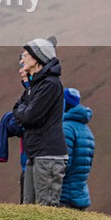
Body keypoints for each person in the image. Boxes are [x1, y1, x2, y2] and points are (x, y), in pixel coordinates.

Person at [13, 36, 68, 206]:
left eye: (26, 55)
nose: (22, 59)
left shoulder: (50, 85)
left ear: (38, 58)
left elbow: (30, 116)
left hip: (49, 155)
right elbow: (17, 108)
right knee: (29, 208)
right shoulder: (35, 86)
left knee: (46, 209)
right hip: (36, 152)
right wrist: (22, 111)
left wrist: (22, 112)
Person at [60, 88, 95, 210]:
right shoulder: (85, 129)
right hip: (80, 193)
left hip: (65, 195)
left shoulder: (66, 128)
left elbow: (63, 163)